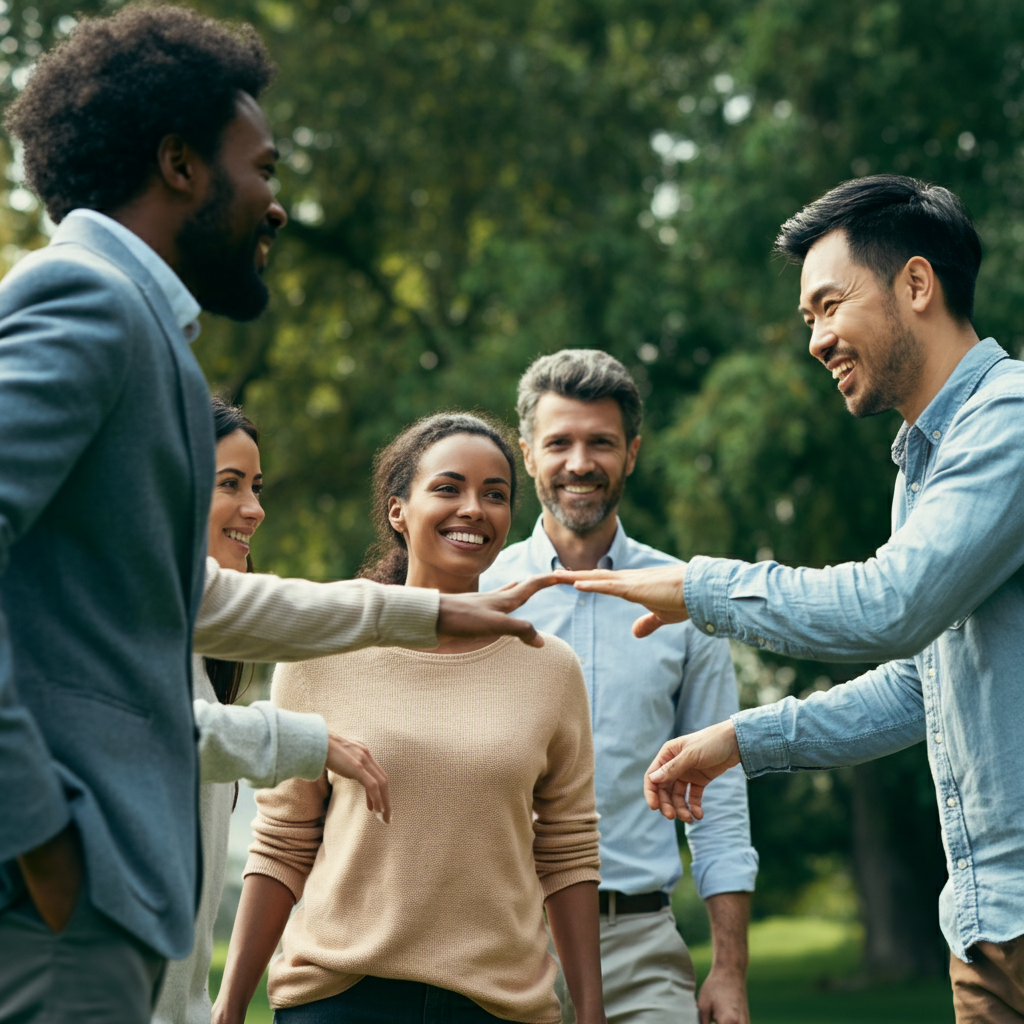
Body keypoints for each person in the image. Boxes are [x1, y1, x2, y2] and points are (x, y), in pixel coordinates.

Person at [0, 10, 556, 1020]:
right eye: (262, 168)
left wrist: (422, 615)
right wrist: (37, 833)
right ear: (178, 163)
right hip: (50, 898)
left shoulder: (148, 330)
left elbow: (197, 597)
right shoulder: (86, 298)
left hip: (95, 903)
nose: (277, 204)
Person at [558, 175, 1024, 1024]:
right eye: (807, 318)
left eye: (827, 305)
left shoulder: (1010, 422)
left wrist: (699, 588)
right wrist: (743, 739)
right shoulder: (924, 464)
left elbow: (891, 605)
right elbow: (926, 685)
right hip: (988, 930)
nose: (814, 339)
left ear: (916, 285)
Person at [213, 413, 606, 1024]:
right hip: (337, 1001)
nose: (474, 508)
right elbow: (284, 842)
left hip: (498, 1007)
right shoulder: (321, 649)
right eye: (448, 488)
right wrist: (229, 1006)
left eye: (495, 494)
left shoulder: (550, 669)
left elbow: (569, 851)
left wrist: (592, 1013)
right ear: (398, 510)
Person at [481, 350, 757, 1024]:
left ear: (631, 453)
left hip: (640, 945)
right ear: (526, 454)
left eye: (601, 442)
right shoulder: (480, 596)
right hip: (502, 939)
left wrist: (729, 970)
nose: (580, 462)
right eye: (560, 443)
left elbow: (717, 791)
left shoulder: (689, 599)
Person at [153, 395, 398, 1024]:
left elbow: (300, 612)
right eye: (229, 484)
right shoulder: (125, 625)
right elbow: (169, 733)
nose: (255, 508)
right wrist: (313, 742)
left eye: (256, 486)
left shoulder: (204, 651)